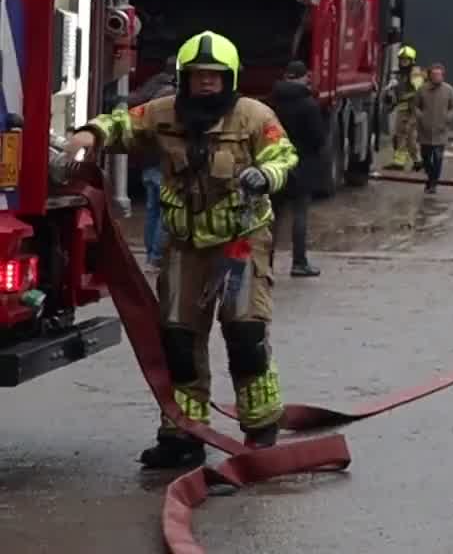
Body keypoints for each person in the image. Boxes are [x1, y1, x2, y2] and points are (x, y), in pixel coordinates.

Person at [62, 31, 299, 467]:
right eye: (197, 76)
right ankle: (182, 435)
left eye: (214, 76)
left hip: (240, 246)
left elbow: (283, 155)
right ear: (183, 77)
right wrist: (90, 135)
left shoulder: (253, 116)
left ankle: (261, 429)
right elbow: (123, 124)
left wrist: (265, 175)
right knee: (179, 341)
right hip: (185, 248)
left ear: (229, 78)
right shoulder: (162, 113)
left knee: (246, 335)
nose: (205, 83)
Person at [267, 61, 327, 277]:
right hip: (301, 166)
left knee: (272, 215)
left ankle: (266, 263)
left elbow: (269, 132)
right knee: (300, 214)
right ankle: (299, 263)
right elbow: (317, 138)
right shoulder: (308, 104)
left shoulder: (272, 103)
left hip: (276, 165)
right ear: (303, 78)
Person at [128, 57, 178, 269]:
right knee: (165, 211)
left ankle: (150, 253)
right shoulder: (171, 98)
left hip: (147, 160)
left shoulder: (149, 88)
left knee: (152, 210)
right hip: (162, 161)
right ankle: (157, 255)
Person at [413, 61, 453, 194]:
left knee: (438, 157)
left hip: (441, 129)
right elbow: (415, 105)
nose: (438, 77)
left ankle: (433, 182)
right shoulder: (422, 89)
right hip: (425, 130)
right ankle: (430, 177)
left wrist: (448, 118)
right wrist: (420, 117)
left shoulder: (449, 90)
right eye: (435, 75)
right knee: (426, 157)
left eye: (440, 75)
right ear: (430, 76)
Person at [386, 44, 424, 170]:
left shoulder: (415, 73)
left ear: (412, 60)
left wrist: (405, 97)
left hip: (412, 109)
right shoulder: (400, 74)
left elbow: (419, 92)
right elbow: (399, 93)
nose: (403, 62)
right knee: (399, 136)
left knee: (409, 136)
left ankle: (418, 161)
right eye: (401, 59)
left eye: (406, 59)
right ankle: (399, 163)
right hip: (402, 109)